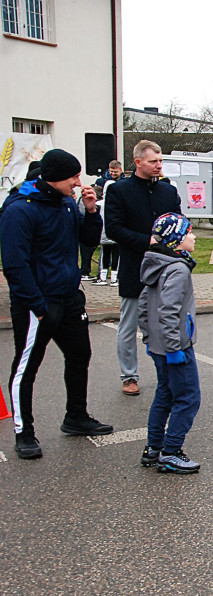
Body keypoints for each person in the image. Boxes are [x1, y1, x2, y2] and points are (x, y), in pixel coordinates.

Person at [0, 148, 113, 459]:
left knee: (80, 355)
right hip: (37, 303)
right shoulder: (19, 210)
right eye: (73, 176)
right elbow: (15, 265)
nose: (79, 182)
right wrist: (36, 304)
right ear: (53, 178)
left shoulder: (65, 203)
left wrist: (91, 212)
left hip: (68, 296)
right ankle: (24, 432)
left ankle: (76, 417)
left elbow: (87, 241)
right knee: (27, 367)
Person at [104, 140, 181, 397]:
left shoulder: (168, 192)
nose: (159, 165)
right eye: (153, 161)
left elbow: (179, 224)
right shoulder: (119, 190)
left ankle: (167, 373)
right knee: (129, 326)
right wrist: (146, 240)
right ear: (138, 162)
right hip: (134, 268)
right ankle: (129, 376)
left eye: (160, 161)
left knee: (166, 324)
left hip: (165, 269)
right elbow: (114, 228)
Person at [138, 213, 202, 474]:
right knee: (188, 397)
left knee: (164, 393)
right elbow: (169, 311)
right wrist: (175, 347)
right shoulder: (177, 269)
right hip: (174, 346)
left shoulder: (156, 264)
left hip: (158, 344)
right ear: (177, 240)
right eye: (189, 232)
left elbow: (144, 306)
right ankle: (171, 451)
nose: (194, 236)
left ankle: (154, 447)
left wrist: (149, 337)